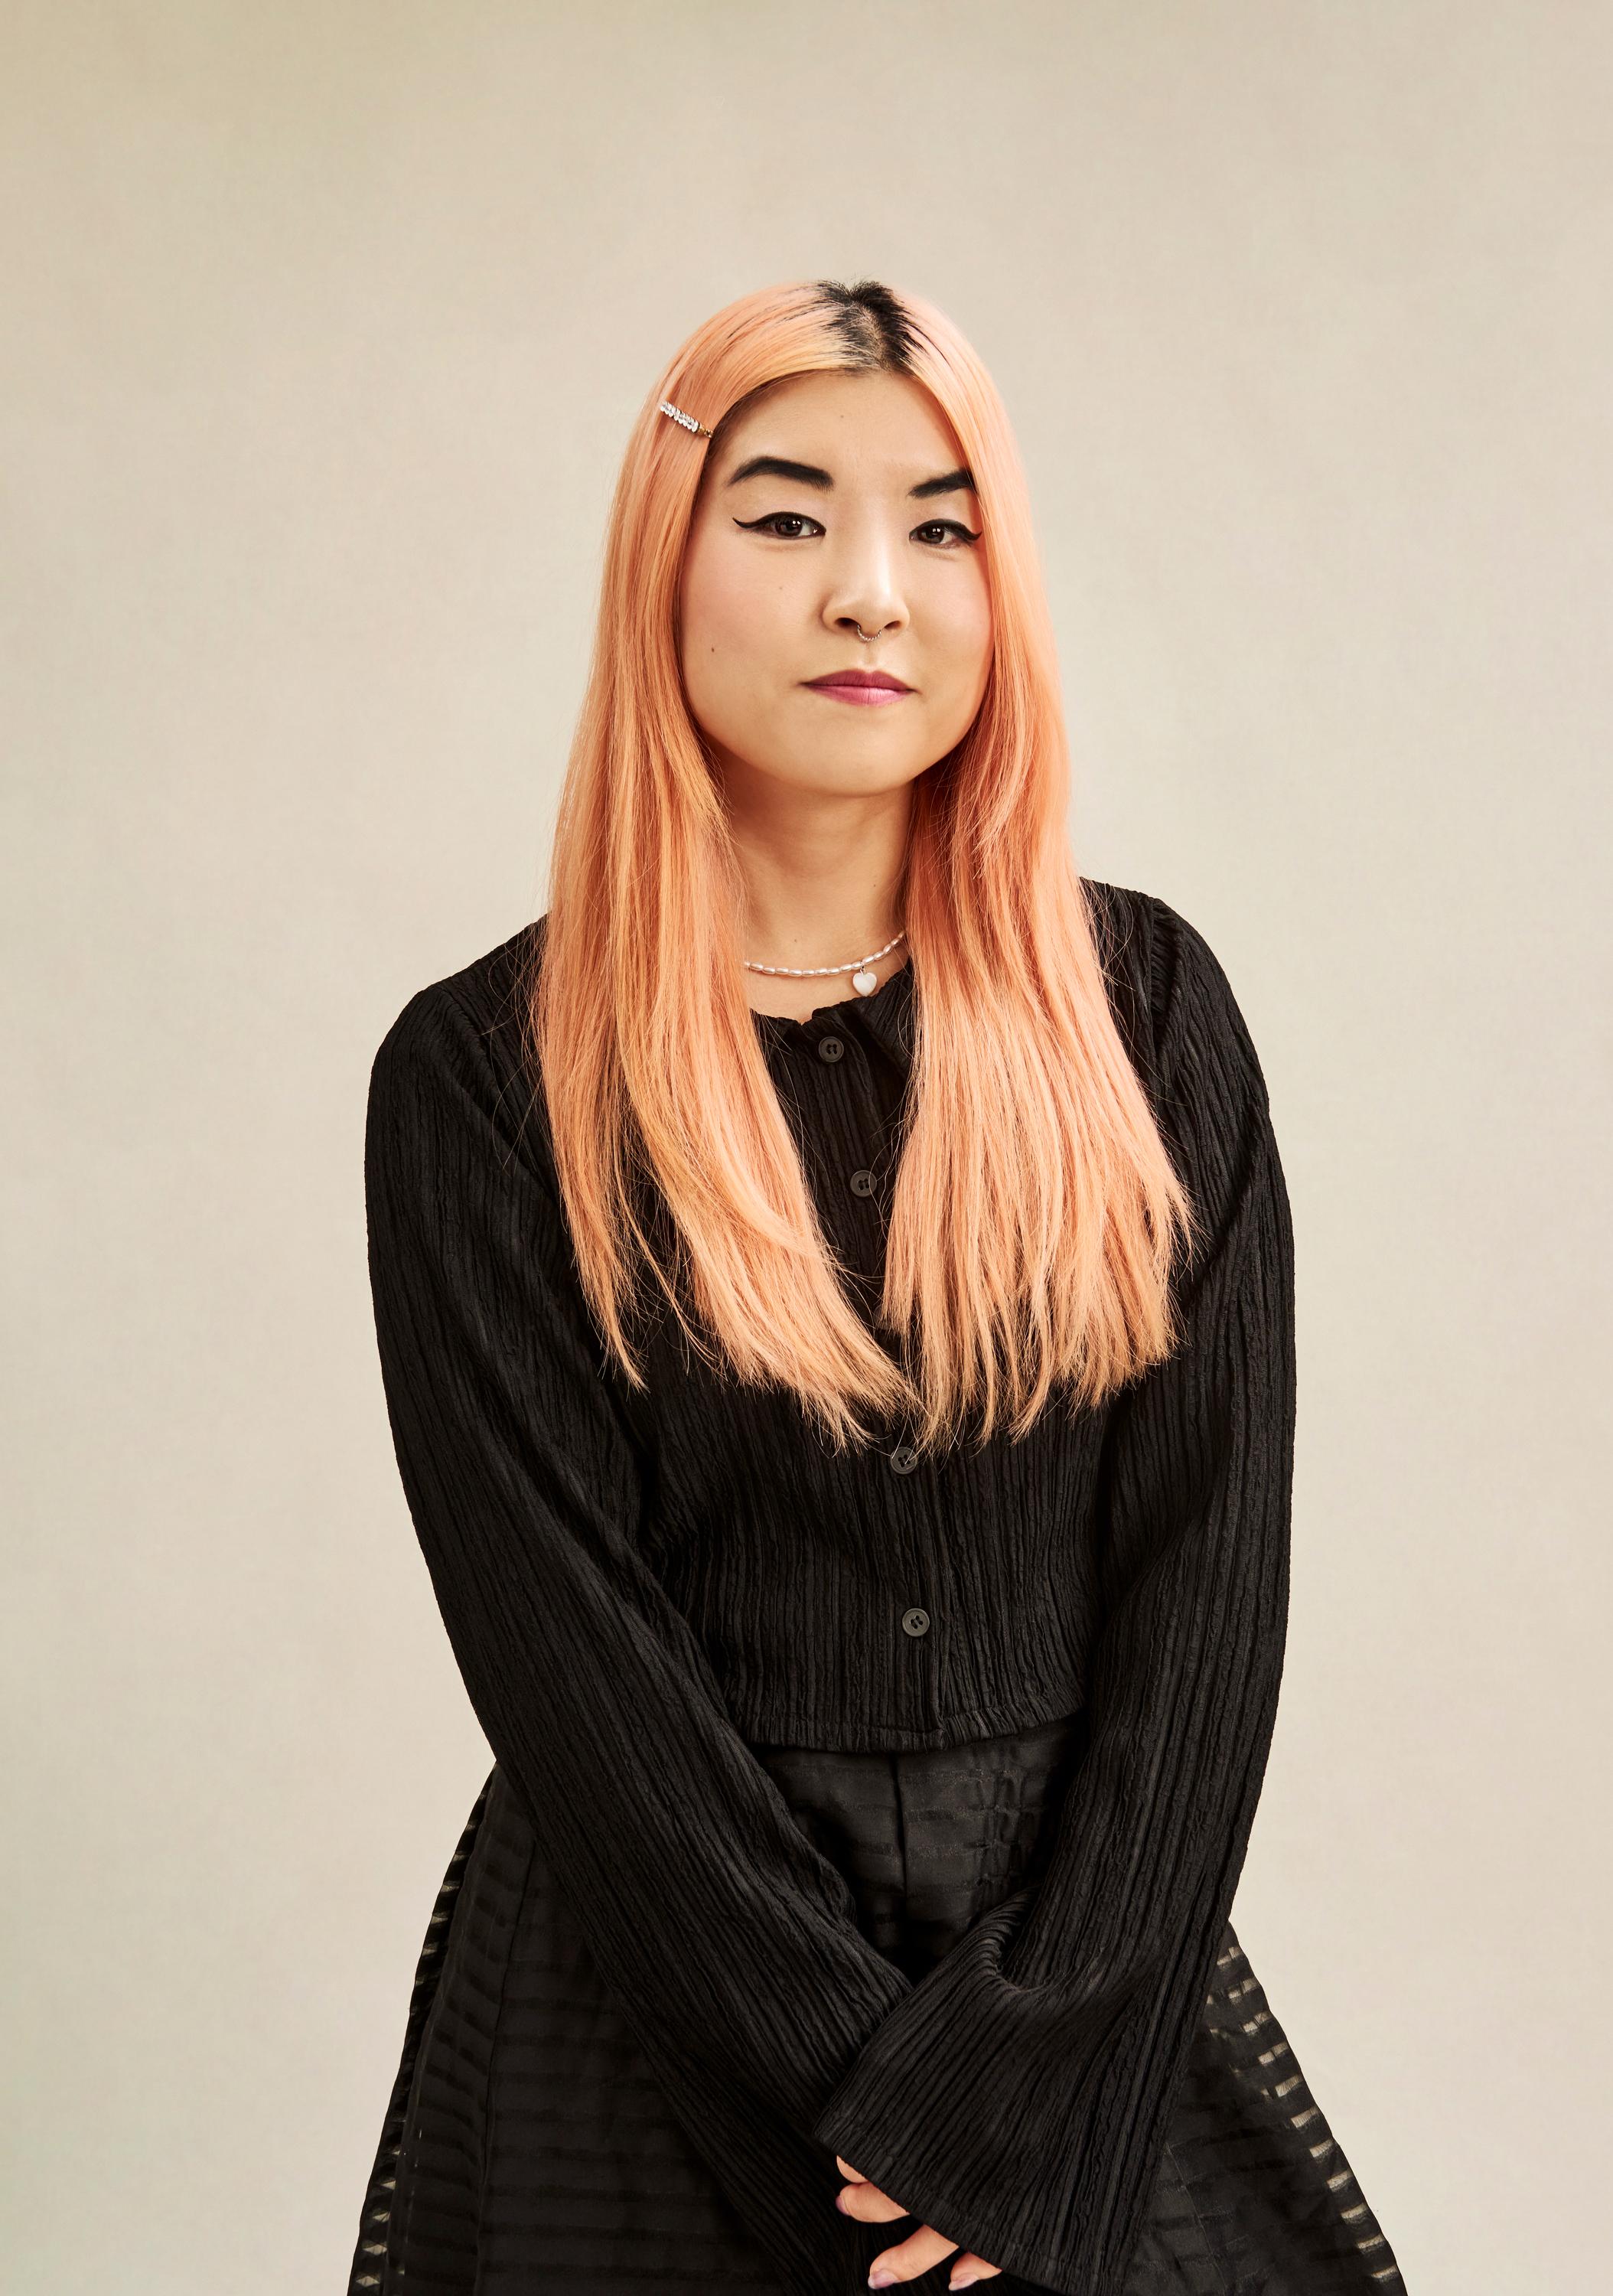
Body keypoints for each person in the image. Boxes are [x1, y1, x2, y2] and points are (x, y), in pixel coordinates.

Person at [347, 279, 1403, 2296]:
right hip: (645, 2034)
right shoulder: (485, 1083)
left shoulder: (1145, 1011)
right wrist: (869, 2138)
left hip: (1080, 2003)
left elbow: (1203, 1605)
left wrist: (1025, 2105)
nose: (869, 593)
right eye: (783, 515)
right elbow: (583, 1686)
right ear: (662, 565)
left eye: (940, 523)